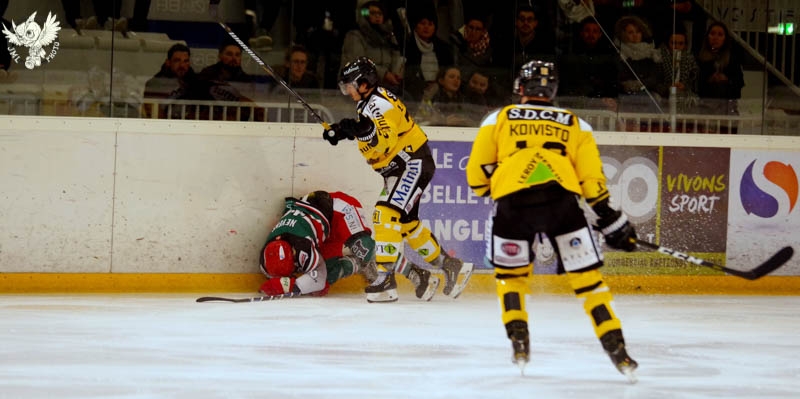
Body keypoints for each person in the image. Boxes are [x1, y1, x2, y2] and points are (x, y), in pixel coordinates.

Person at [465, 60, 639, 381]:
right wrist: (609, 217)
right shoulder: (575, 123)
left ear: (521, 88)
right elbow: (591, 180)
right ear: (553, 90)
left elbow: (476, 174)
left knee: (511, 277)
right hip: (561, 203)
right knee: (588, 281)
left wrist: (500, 187)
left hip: (512, 205)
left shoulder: (499, 117)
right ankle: (616, 344)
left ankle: (519, 339)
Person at [323, 56, 474, 303]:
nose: (347, 91)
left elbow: (383, 140)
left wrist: (353, 129)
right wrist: (344, 130)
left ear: (364, 83)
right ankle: (450, 265)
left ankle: (385, 278)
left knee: (385, 215)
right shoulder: (369, 101)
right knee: (407, 224)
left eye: (350, 85)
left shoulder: (378, 104)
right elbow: (367, 130)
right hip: (402, 168)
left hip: (411, 164)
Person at [258, 191, 381, 297]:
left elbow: (318, 280)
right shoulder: (266, 260)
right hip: (321, 232)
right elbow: (321, 280)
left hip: (337, 210)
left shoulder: (302, 245)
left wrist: (291, 287)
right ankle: (358, 264)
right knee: (329, 276)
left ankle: (383, 261)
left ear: (294, 252)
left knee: (363, 247)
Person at [340, 0, 404, 95]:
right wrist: (384, 74)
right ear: (365, 15)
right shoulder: (355, 36)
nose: (377, 16)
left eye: (380, 13)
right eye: (373, 13)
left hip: (383, 90)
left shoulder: (387, 37)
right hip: (358, 90)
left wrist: (395, 73)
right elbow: (358, 63)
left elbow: (395, 59)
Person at [142, 43, 212, 119]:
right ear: (168, 62)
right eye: (177, 60)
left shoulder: (197, 83)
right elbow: (153, 114)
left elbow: (206, 111)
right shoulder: (155, 84)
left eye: (186, 61)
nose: (182, 65)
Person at [696, 21, 744, 118]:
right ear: (707, 37)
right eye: (712, 34)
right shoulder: (700, 58)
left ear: (725, 38)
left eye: (720, 35)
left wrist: (726, 79)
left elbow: (739, 82)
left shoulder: (732, 58)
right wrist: (709, 79)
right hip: (705, 105)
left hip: (727, 106)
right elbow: (695, 84)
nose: (715, 38)